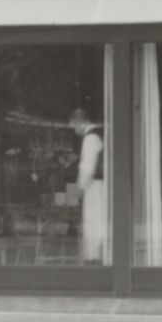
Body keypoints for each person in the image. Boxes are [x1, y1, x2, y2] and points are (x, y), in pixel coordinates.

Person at [68, 109, 107, 262]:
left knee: (94, 222)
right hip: (101, 186)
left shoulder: (90, 138)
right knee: (99, 222)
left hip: (95, 187)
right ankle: (98, 255)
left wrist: (80, 188)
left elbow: (87, 167)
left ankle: (94, 258)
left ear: (80, 122)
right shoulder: (100, 134)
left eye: (74, 126)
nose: (74, 130)